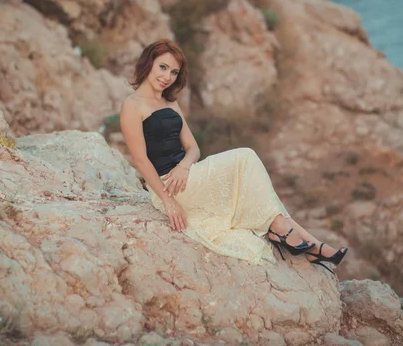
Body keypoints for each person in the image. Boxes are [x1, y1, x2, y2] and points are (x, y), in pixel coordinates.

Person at [120, 39, 348, 272]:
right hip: (168, 186)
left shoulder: (170, 102)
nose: (168, 77)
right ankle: (295, 237)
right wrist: (168, 201)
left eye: (174, 72)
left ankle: (308, 243)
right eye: (163, 67)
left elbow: (193, 148)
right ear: (149, 63)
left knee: (254, 187)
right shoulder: (132, 105)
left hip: (188, 175)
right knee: (245, 157)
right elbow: (140, 160)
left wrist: (185, 166)